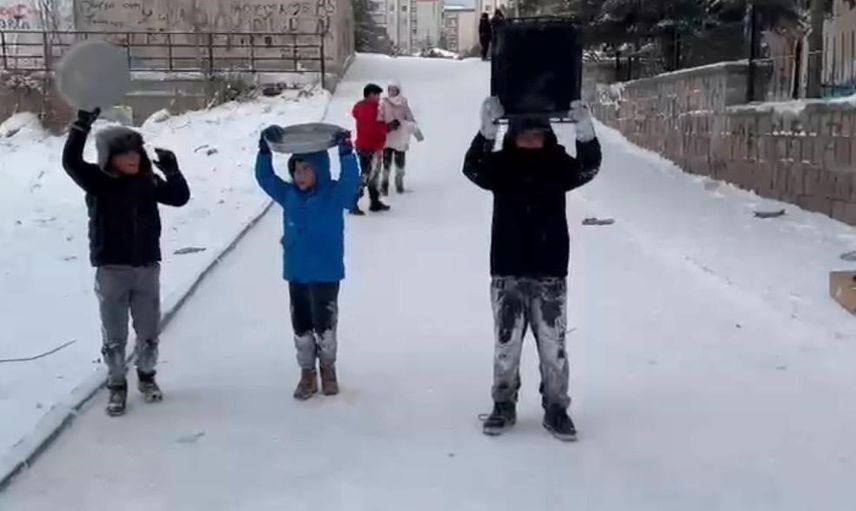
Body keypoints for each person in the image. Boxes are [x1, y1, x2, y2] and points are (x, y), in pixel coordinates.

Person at [463, 97, 602, 442]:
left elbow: (588, 167)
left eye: (537, 133)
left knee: (554, 347)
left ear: (547, 134)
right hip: (507, 269)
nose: (530, 139)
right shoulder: (500, 165)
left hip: (550, 269)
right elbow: (472, 168)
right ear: (513, 134)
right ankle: (503, 404)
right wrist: (486, 131)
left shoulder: (557, 164)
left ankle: (556, 407)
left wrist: (585, 131)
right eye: (524, 133)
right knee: (506, 344)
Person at [62, 108, 191, 417]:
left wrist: (173, 171)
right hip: (112, 270)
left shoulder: (147, 182)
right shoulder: (98, 182)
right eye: (124, 153)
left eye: (136, 151)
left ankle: (147, 377)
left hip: (146, 267)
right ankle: (117, 385)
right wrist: (81, 126)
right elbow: (71, 162)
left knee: (148, 329)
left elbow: (178, 197)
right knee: (115, 334)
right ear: (110, 157)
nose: (133, 157)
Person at [255, 125, 360, 400]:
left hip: (326, 272)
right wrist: (264, 150)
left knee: (325, 325)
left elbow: (351, 180)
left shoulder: (334, 194)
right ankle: (307, 373)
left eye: (305, 169)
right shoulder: (288, 195)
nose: (299, 175)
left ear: (319, 169)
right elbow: (265, 178)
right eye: (295, 170)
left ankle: (328, 369)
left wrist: (346, 152)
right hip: (297, 272)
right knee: (301, 325)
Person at [351, 83, 391, 215]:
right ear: (369, 95)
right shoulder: (371, 110)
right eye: (376, 94)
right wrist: (388, 127)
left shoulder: (362, 107)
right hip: (370, 147)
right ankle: (352, 202)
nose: (379, 97)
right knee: (367, 176)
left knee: (372, 175)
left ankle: (375, 202)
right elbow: (374, 129)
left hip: (367, 146)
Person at [379, 80, 418, 195]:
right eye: (390, 89)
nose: (392, 92)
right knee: (386, 164)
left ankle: (399, 185)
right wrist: (386, 127)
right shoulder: (383, 103)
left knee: (400, 164)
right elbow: (379, 119)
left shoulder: (403, 103)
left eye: (394, 90)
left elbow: (410, 119)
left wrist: (417, 134)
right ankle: (384, 186)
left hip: (400, 138)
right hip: (387, 138)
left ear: (398, 91)